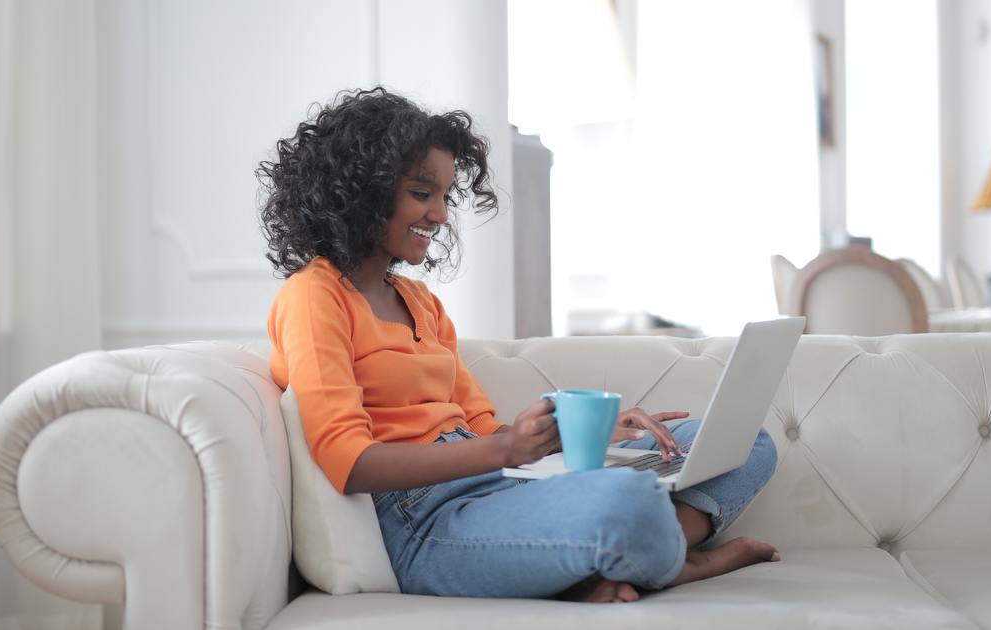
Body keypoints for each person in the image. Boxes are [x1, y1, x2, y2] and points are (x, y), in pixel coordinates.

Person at [259, 88, 780, 604]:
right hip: (424, 522)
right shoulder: (314, 297)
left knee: (743, 441)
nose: (440, 215)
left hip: (500, 485)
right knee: (627, 500)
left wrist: (577, 435)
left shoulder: (419, 301)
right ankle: (685, 563)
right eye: (422, 193)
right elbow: (349, 462)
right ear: (363, 192)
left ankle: (624, 558)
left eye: (445, 196)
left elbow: (482, 428)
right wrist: (506, 450)